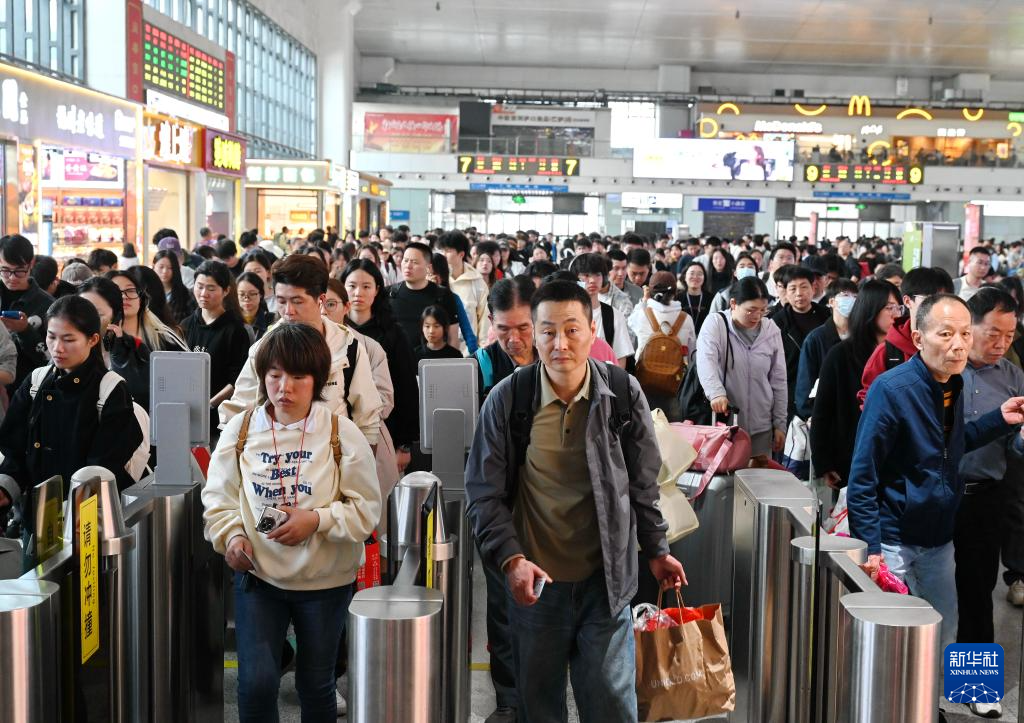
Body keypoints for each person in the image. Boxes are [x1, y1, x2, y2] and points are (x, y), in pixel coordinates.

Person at [465, 280, 685, 723]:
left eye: (571, 330)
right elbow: (483, 493)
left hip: (606, 584)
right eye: (547, 332)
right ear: (535, 333)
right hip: (536, 588)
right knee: (539, 707)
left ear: (592, 330)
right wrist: (512, 560)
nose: (559, 344)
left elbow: (643, 484)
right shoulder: (509, 399)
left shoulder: (622, 393)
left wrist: (657, 549)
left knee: (610, 704)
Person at [202, 323, 381, 723]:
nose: (284, 387)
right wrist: (232, 537)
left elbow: (366, 509)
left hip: (325, 584)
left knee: (316, 684)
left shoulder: (341, 433)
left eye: (298, 377)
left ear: (317, 380)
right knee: (256, 683)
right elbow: (219, 498)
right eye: (275, 375)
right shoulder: (241, 430)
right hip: (258, 578)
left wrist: (316, 520)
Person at [848, 293, 1024, 660]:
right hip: (896, 537)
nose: (959, 344)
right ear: (918, 338)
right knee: (892, 638)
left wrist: (999, 419)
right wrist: (871, 546)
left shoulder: (955, 383)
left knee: (948, 627)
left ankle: (942, 691)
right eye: (946, 334)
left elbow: (952, 446)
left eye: (964, 333)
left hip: (944, 533)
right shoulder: (892, 389)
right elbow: (864, 474)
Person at [0, 296, 143, 515]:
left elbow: (104, 465)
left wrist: (70, 512)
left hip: (88, 516)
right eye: (51, 337)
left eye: (68, 339)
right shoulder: (36, 381)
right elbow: (15, 449)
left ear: (93, 340)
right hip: (37, 512)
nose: (57, 348)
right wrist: (6, 487)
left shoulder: (110, 389)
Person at [221, 255, 382, 448]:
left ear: (321, 300)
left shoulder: (347, 347)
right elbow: (240, 411)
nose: (288, 311)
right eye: (281, 301)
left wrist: (364, 461)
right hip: (277, 456)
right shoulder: (263, 348)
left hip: (333, 455)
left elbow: (367, 420)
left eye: (297, 301)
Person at [953, 288, 1024, 720]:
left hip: (985, 496)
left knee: (978, 591)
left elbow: (1014, 450)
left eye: (1009, 336)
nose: (1001, 343)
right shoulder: (944, 368)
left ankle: (975, 686)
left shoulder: (1013, 377)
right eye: (993, 333)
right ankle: (916, 676)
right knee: (925, 589)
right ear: (970, 327)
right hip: (935, 495)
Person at [811, 281, 900, 490]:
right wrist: (824, 461)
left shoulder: (901, 354)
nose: (896, 315)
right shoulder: (840, 355)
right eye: (889, 308)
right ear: (870, 309)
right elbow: (823, 411)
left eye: (899, 308)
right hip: (851, 455)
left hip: (894, 458)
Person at [696, 276, 787, 464]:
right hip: (725, 425)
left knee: (759, 478)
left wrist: (780, 423)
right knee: (726, 477)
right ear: (733, 304)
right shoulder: (716, 324)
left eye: (762, 310)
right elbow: (706, 361)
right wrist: (716, 393)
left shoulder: (771, 331)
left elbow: (779, 380)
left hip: (762, 426)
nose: (757, 316)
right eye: (750, 310)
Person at [341, 260, 418, 473]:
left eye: (366, 286)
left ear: (377, 289)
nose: (358, 293)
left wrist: (404, 444)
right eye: (352, 286)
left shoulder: (393, 333)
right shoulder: (333, 332)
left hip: (384, 430)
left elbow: (406, 389)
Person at [858, 267, 954, 405]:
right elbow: (870, 400)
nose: (937, 307)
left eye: (944, 300)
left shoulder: (955, 347)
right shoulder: (887, 353)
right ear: (908, 301)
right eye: (929, 300)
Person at [181, 260, 252, 437]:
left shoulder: (235, 330)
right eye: (200, 286)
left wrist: (209, 404)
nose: (203, 293)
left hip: (219, 417)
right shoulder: (185, 325)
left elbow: (237, 380)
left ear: (226, 291)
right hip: (185, 413)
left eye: (211, 288)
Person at [770, 265, 830, 420]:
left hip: (824, 388)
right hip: (790, 393)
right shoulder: (776, 323)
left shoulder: (827, 317)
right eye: (793, 288)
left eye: (804, 287)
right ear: (785, 292)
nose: (799, 293)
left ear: (813, 288)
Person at [794, 279, 858, 421]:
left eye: (855, 296)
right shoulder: (815, 339)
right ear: (831, 301)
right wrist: (811, 416)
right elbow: (805, 385)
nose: (851, 300)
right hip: (825, 416)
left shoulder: (861, 336)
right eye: (845, 295)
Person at [0, 234, 55, 394]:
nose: (12, 278)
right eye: (5, 270)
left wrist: (25, 331)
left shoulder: (47, 304)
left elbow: (51, 358)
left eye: (20, 271)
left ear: (31, 263)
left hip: (28, 390)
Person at [388, 242, 460, 350]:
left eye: (415, 262)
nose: (408, 266)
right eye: (406, 260)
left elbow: (452, 337)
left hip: (431, 359)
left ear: (428, 267)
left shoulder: (443, 295)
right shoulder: (390, 293)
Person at [573, 253, 634, 367]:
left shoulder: (614, 316)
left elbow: (620, 359)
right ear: (576, 279)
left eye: (597, 274)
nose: (592, 280)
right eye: (586, 275)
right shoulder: (566, 314)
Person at [154, 248, 198, 324]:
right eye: (161, 267)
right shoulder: (147, 292)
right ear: (153, 266)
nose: (165, 271)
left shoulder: (186, 295)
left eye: (170, 268)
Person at [237, 272, 278, 342]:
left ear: (261, 294)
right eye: (242, 294)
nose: (246, 299)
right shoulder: (230, 321)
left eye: (252, 294)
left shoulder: (273, 320)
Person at [678, 261, 710, 334]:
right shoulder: (677, 299)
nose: (695, 277)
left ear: (704, 278)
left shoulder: (711, 299)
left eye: (699, 274)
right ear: (685, 277)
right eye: (692, 273)